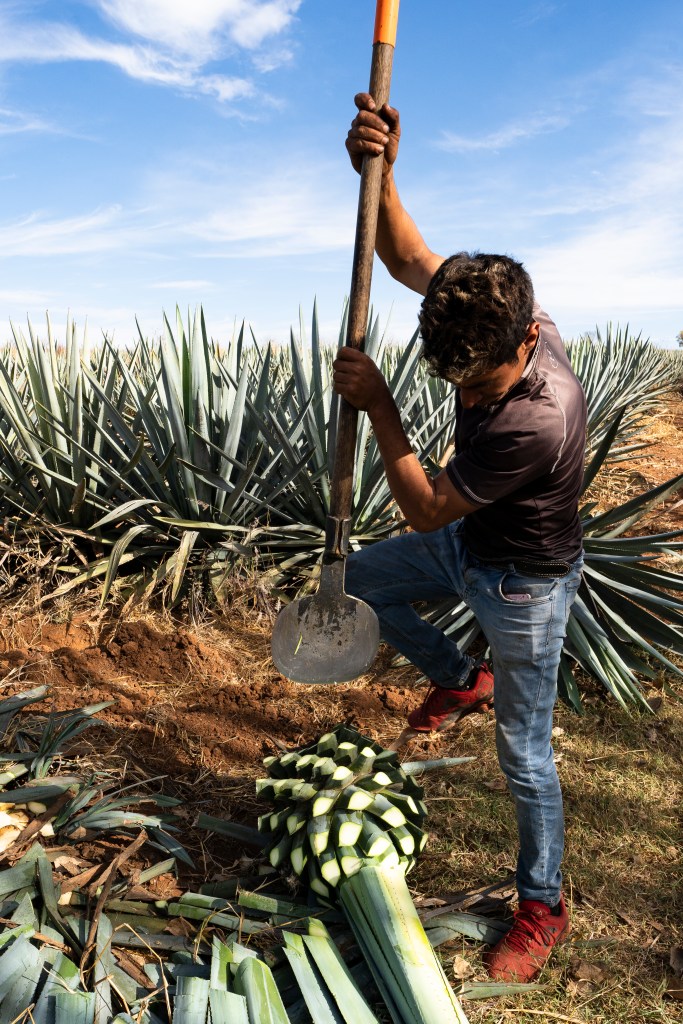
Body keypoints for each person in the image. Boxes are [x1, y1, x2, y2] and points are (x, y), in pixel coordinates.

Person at [335, 93, 587, 983]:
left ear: (525, 340)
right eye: (458, 385)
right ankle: (457, 674)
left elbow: (424, 506)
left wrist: (381, 407)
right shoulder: (493, 307)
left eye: (480, 385)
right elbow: (405, 254)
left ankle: (542, 903)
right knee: (362, 582)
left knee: (522, 753)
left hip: (523, 584)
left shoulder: (534, 419)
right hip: (470, 543)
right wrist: (383, 165)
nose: (471, 400)